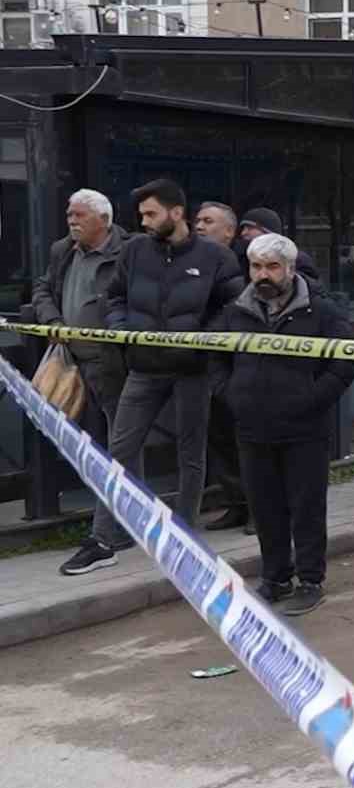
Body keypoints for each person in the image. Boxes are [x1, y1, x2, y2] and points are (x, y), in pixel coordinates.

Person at [61, 179, 242, 580]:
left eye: (151, 214)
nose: (143, 222)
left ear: (176, 213)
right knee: (119, 452)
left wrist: (200, 338)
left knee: (191, 457)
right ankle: (104, 540)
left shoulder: (215, 256)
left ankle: (184, 537)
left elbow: (231, 306)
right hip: (143, 369)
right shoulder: (135, 251)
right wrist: (122, 330)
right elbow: (115, 296)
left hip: (193, 370)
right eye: (141, 214)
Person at [211, 233, 354, 616]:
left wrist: (311, 400)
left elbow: (346, 361)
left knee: (306, 507)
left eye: (272, 267)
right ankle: (275, 578)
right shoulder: (235, 311)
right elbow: (215, 359)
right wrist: (231, 395)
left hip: (304, 429)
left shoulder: (322, 312)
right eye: (257, 266)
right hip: (252, 427)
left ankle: (310, 580)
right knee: (265, 507)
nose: (263, 274)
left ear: (290, 269)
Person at [35, 190, 134, 575]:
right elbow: (43, 288)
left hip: (112, 363)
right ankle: (111, 523)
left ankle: (116, 528)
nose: (71, 221)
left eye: (79, 215)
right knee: (93, 443)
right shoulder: (64, 250)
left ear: (103, 221)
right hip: (71, 362)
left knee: (121, 445)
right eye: (69, 214)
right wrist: (53, 321)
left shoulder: (128, 250)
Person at [191, 201, 252, 533]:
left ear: (229, 231)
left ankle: (260, 508)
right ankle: (237, 503)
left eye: (208, 221)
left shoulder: (248, 263)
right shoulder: (191, 261)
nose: (199, 226)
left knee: (245, 439)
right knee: (219, 439)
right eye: (197, 220)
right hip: (205, 364)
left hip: (240, 365)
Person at [235, 206, 319, 280]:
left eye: (250, 228)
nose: (243, 233)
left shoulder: (296, 259)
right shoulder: (240, 257)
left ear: (267, 231)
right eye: (243, 228)